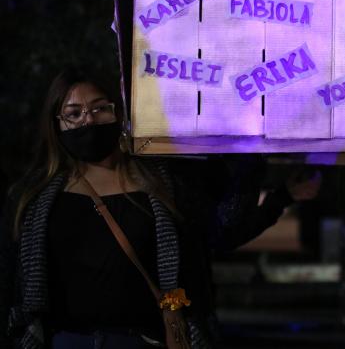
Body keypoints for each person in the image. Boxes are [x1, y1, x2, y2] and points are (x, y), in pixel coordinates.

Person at [0, 70, 319, 349]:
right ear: (57, 124)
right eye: (74, 113)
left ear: (119, 112)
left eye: (99, 109)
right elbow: (9, 281)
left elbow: (222, 232)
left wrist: (269, 183)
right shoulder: (32, 197)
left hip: (144, 341)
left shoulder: (164, 185)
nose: (89, 120)